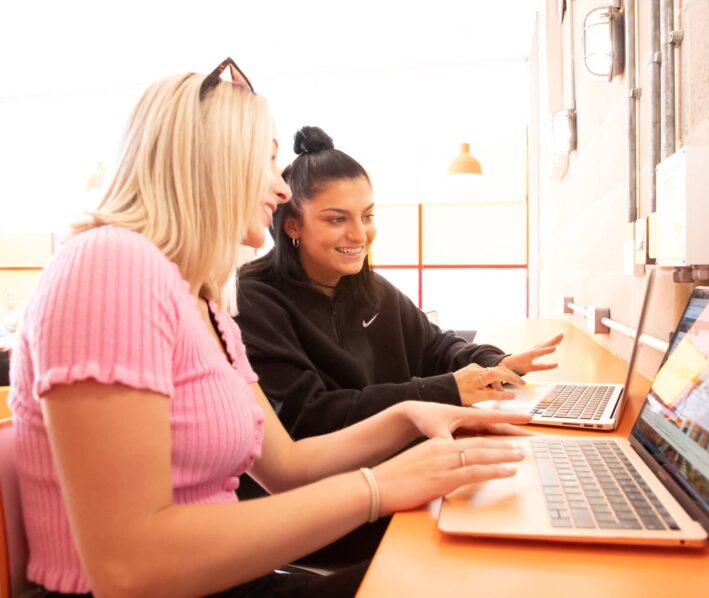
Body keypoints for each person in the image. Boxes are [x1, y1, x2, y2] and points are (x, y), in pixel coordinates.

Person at [9, 59, 531, 598]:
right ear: (210, 164)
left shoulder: (206, 300)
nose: (280, 191)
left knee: (473, 571)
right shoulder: (109, 266)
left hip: (228, 582)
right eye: (267, 160)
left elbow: (288, 466)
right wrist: (378, 487)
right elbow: (128, 567)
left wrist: (406, 416)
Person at [235, 125, 564, 442]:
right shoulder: (253, 299)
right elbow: (310, 417)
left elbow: (436, 348)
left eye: (367, 216)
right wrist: (446, 389)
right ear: (292, 225)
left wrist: (496, 363)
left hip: (402, 462)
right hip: (332, 487)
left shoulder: (373, 290)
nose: (360, 235)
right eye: (337, 219)